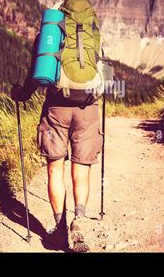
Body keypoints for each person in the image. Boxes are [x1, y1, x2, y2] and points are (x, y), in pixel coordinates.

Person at [11, 80, 103, 253]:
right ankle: (79, 219)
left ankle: (60, 230)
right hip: (88, 108)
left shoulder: (52, 50)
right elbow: (105, 78)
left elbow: (36, 74)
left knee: (55, 170)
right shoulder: (96, 49)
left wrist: (21, 95)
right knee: (81, 170)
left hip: (55, 109)